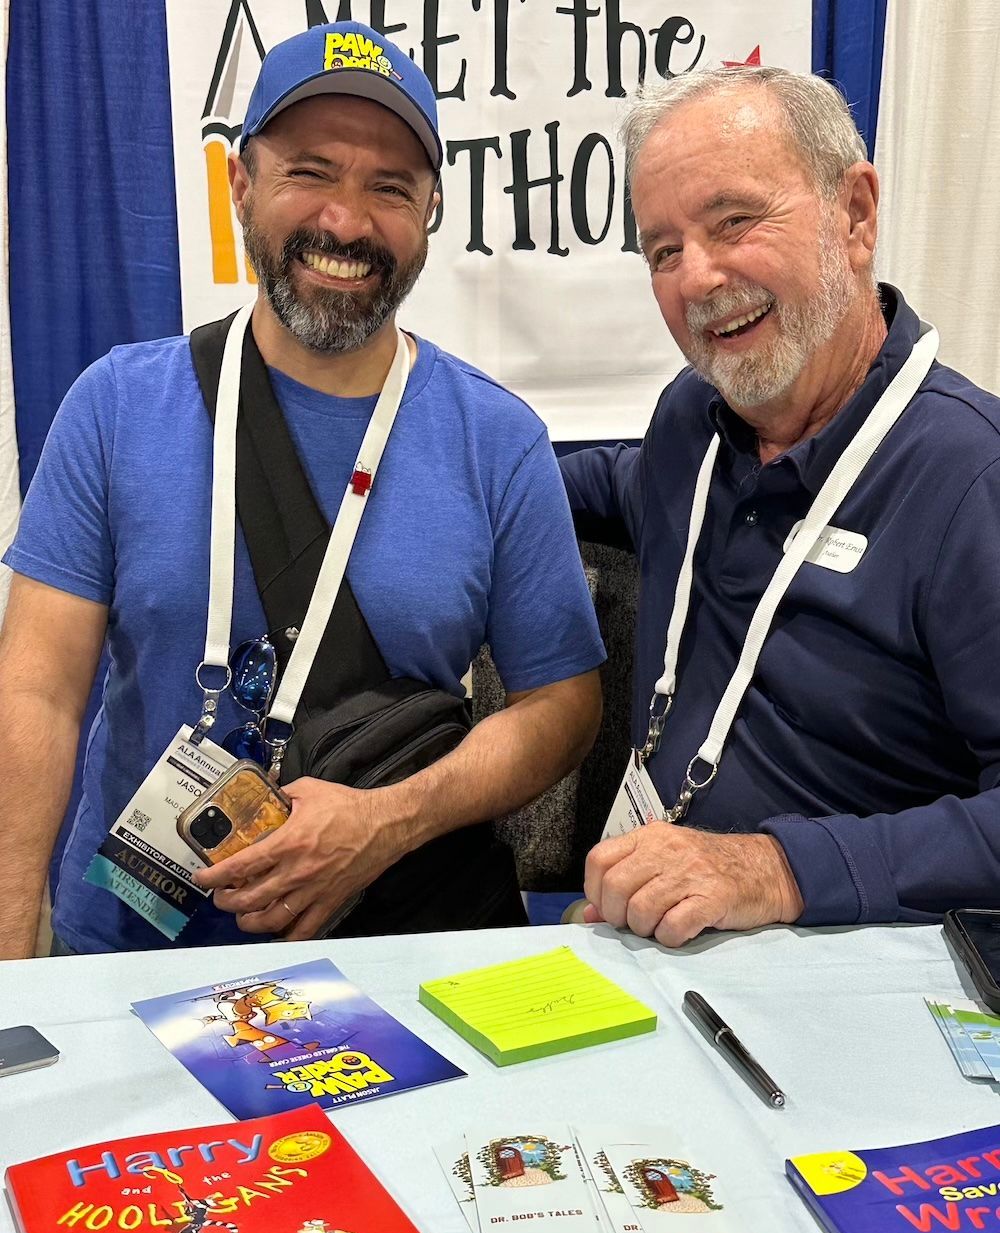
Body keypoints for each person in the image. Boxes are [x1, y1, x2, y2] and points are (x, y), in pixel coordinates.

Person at [0, 20, 604, 958]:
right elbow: (35, 694)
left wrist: (390, 821)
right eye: (310, 171)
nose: (346, 222)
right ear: (242, 184)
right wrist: (11, 970)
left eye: (390, 187)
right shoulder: (116, 406)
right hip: (130, 954)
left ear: (433, 211)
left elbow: (563, 706)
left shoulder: (499, 440)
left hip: (397, 946)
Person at [561, 65, 1000, 946]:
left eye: (734, 222)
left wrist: (775, 868)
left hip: (846, 969)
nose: (698, 278)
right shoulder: (694, 424)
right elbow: (604, 485)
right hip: (652, 936)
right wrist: (446, 460)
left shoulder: (967, 479)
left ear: (856, 216)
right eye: (663, 250)